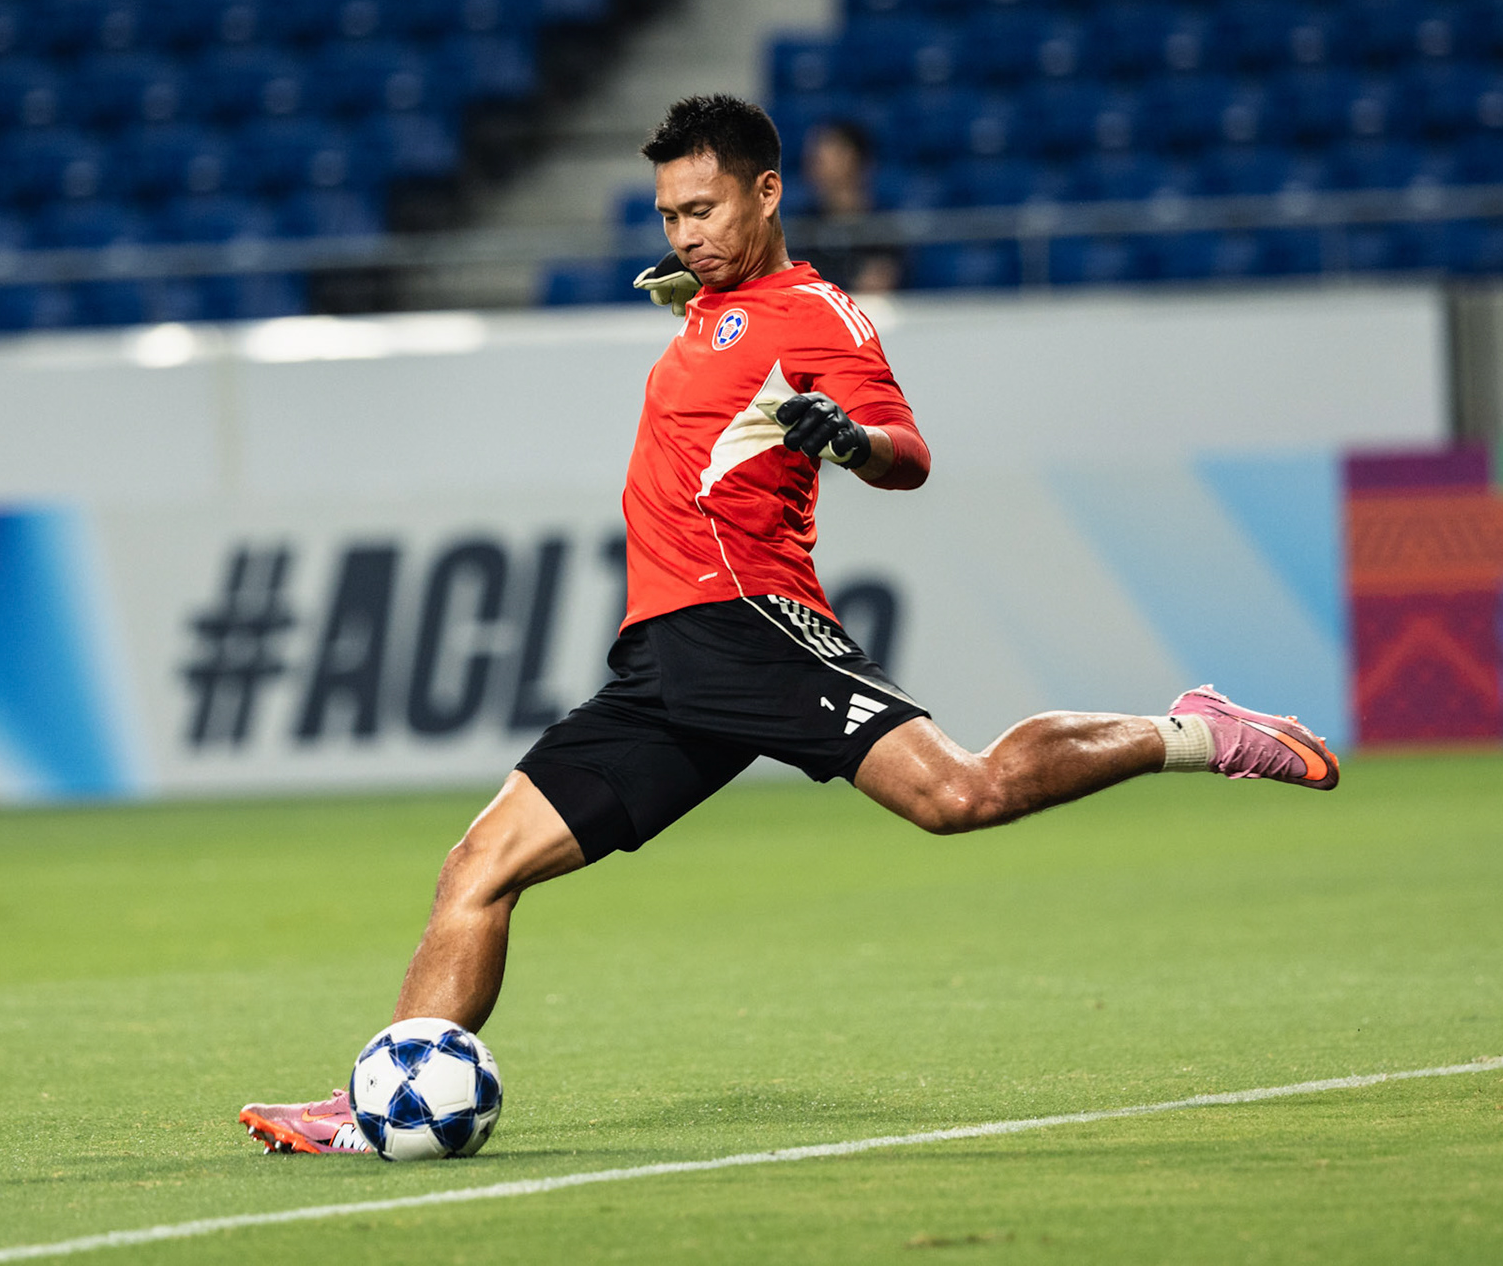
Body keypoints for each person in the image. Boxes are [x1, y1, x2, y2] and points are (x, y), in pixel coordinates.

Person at [239, 95, 1339, 1155]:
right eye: (669, 215)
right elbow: (718, 326)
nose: (685, 234)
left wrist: (847, 438)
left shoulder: (818, 313)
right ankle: (371, 1103)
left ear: (767, 192)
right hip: (664, 662)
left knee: (961, 796)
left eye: (705, 209)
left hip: (752, 621)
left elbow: (909, 453)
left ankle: (1194, 729)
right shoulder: (709, 299)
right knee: (477, 866)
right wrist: (701, 294)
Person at [796, 120, 903, 295]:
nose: (814, 162)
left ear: (852, 157)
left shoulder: (883, 224)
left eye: (824, 155)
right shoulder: (803, 224)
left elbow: (883, 277)